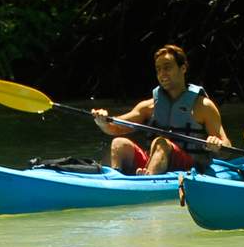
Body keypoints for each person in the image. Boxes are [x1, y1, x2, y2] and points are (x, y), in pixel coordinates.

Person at [89, 44, 230, 175]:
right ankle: (114, 181)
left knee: (161, 142)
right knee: (119, 143)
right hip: (156, 162)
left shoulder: (203, 106)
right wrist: (102, 122)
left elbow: (227, 148)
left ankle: (146, 182)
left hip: (190, 166)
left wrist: (217, 144)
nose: (162, 73)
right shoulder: (149, 106)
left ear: (183, 68)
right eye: (158, 69)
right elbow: (115, 128)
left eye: (167, 67)